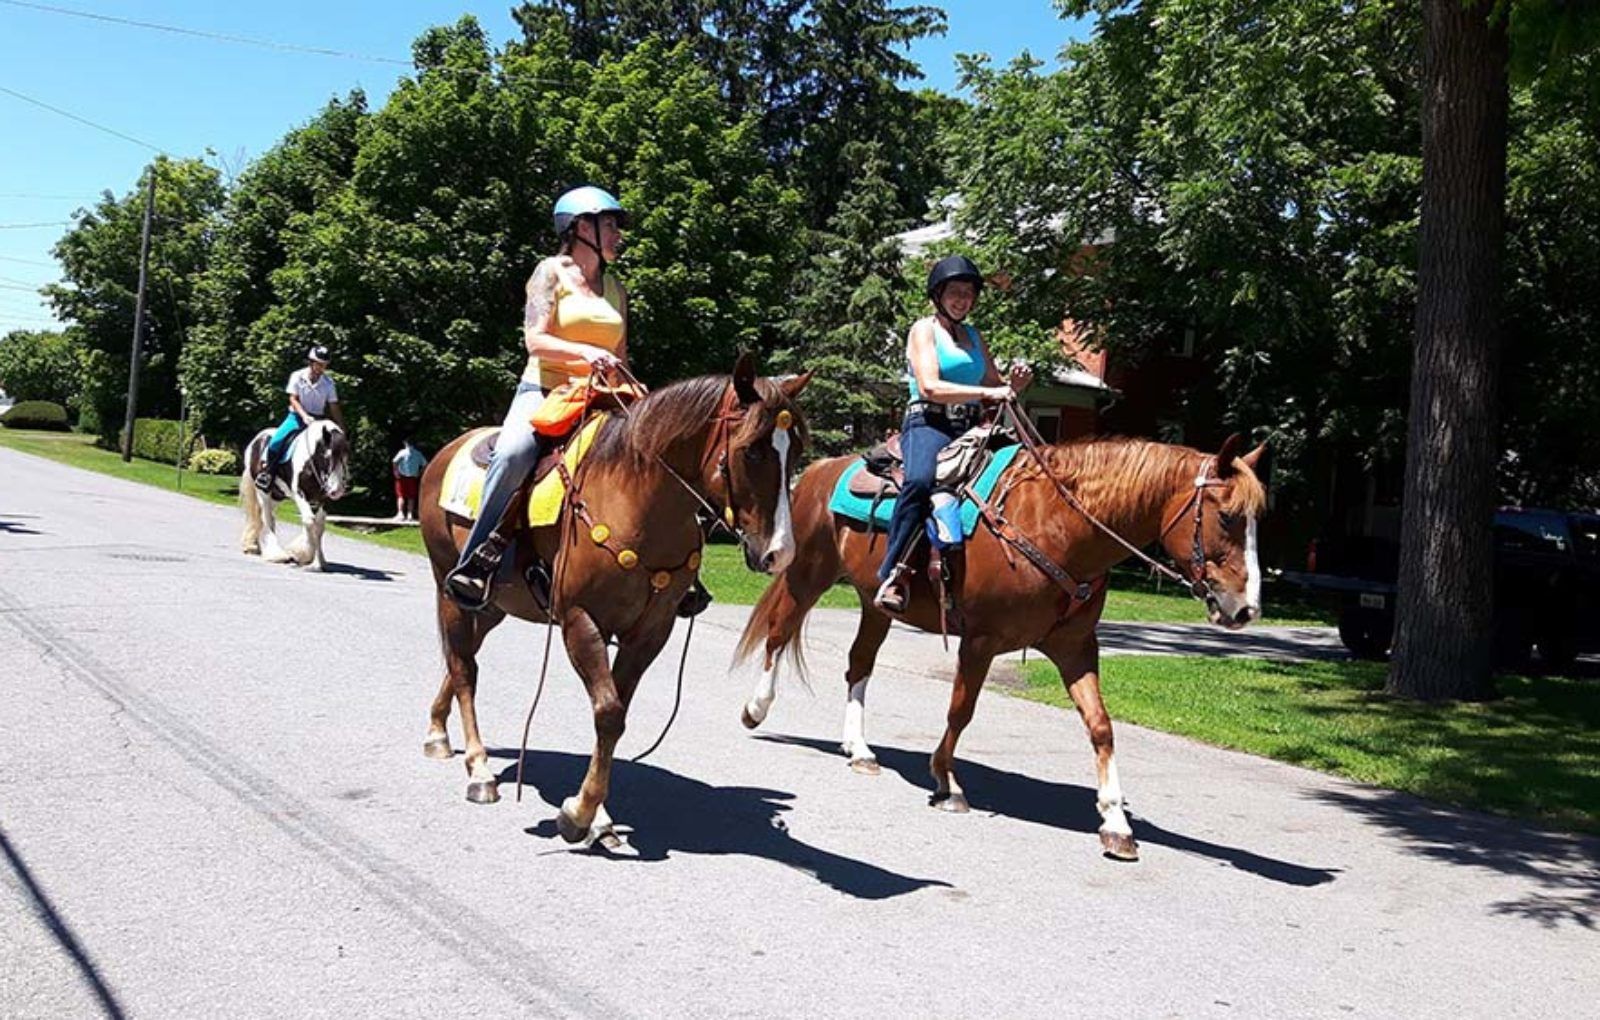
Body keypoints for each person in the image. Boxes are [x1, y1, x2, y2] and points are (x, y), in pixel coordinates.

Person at [442, 186, 633, 609]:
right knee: (512, 455)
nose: (618, 234)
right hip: (546, 390)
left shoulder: (617, 287)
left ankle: (670, 571)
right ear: (581, 227)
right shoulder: (550, 273)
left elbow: (620, 355)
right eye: (609, 225)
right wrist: (585, 352)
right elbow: (536, 340)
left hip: (601, 395)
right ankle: (477, 561)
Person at [874, 255, 1033, 614]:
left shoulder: (975, 336)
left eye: (968, 293)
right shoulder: (923, 330)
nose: (962, 299)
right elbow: (929, 385)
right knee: (918, 481)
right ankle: (893, 573)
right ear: (938, 295)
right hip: (928, 424)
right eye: (954, 292)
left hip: (970, 428)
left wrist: (1015, 384)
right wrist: (989, 393)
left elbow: (996, 385)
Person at [256, 345, 344, 492]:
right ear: (311, 362)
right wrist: (304, 416)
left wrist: (341, 428)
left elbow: (334, 406)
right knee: (276, 442)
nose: (322, 368)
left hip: (318, 421)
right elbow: (293, 399)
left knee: (334, 448)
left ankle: (338, 479)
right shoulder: (297, 376)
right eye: (319, 364)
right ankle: (267, 473)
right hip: (296, 417)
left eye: (324, 365)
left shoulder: (328, 383)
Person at [392, 437, 428, 521]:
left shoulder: (402, 452)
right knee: (411, 497)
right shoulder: (418, 453)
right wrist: (419, 473)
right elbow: (425, 464)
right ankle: (410, 514)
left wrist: (396, 472)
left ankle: (400, 513)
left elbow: (394, 462)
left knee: (401, 495)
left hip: (402, 476)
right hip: (413, 477)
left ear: (405, 443)